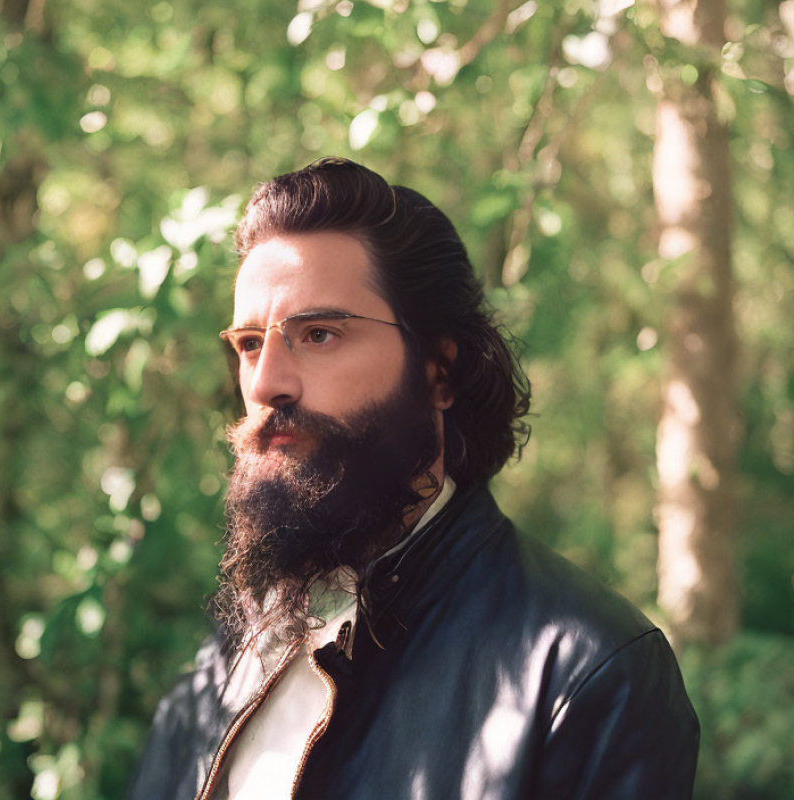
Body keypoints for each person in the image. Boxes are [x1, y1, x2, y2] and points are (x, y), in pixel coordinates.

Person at [130, 158, 699, 799]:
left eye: (318, 334)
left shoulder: (586, 674)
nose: (265, 384)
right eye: (250, 344)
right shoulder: (229, 656)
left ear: (440, 372)